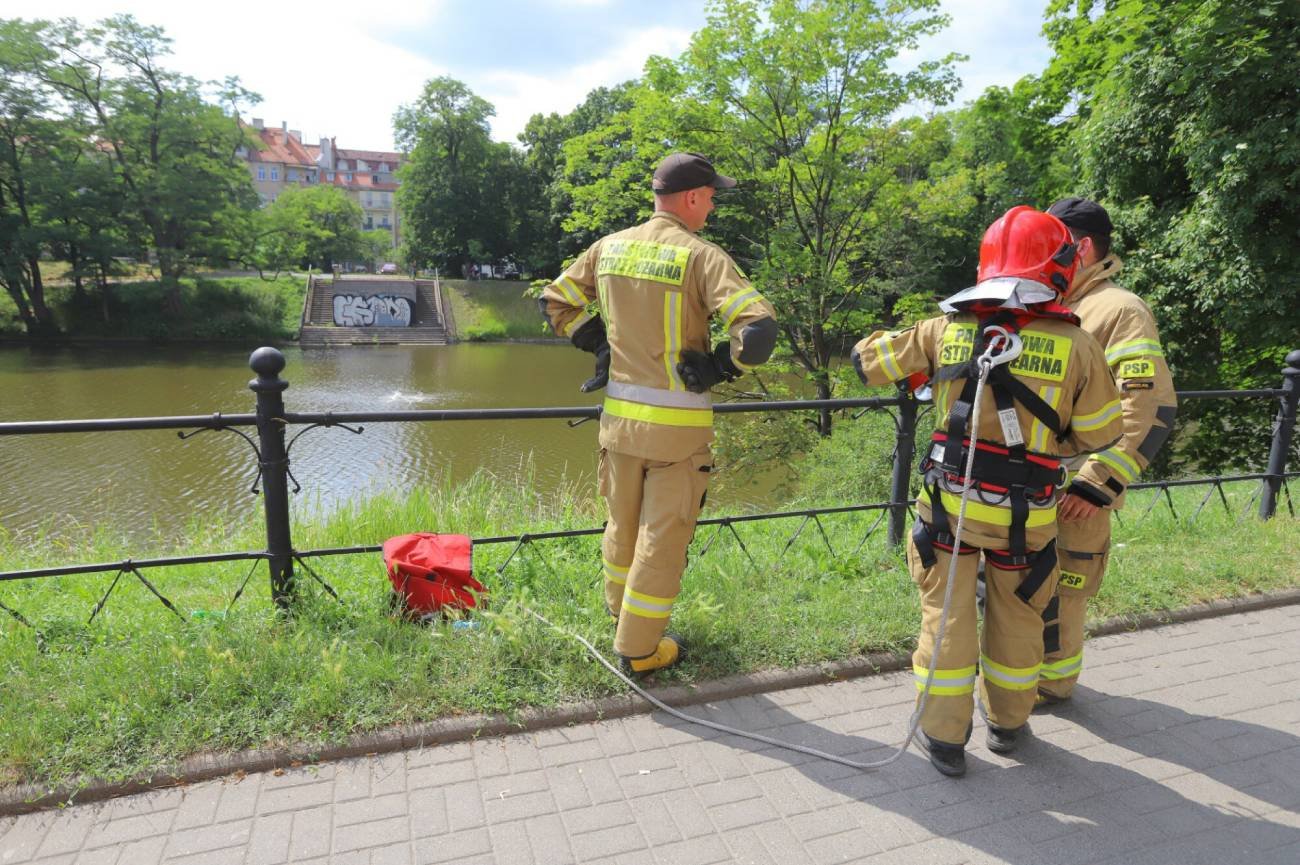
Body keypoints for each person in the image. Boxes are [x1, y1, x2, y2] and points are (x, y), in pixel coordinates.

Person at [852, 206, 1123, 777]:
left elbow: (867, 363)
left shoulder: (946, 328)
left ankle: (944, 738)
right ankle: (1008, 723)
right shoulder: (1078, 344)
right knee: (1021, 616)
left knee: (946, 615)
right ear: (1060, 266)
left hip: (949, 509)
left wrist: (916, 360)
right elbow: (1100, 433)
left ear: (987, 264)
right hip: (1027, 520)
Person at [539, 152, 778, 675]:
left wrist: (597, 343)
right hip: (678, 433)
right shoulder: (700, 256)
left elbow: (554, 301)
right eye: (711, 197)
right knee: (661, 540)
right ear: (691, 197)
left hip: (618, 426)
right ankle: (641, 651)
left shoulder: (609, 248)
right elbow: (758, 333)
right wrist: (719, 365)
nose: (712, 208)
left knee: (621, 527)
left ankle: (619, 615)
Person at [1037, 198, 1178, 706]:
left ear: (1082, 246)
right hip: (1030, 484)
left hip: (1076, 490)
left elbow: (1151, 406)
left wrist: (1097, 483)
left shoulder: (1119, 309)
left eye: (1052, 245)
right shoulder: (1052, 302)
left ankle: (1052, 687)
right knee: (1022, 589)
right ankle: (1016, 683)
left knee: (1064, 592)